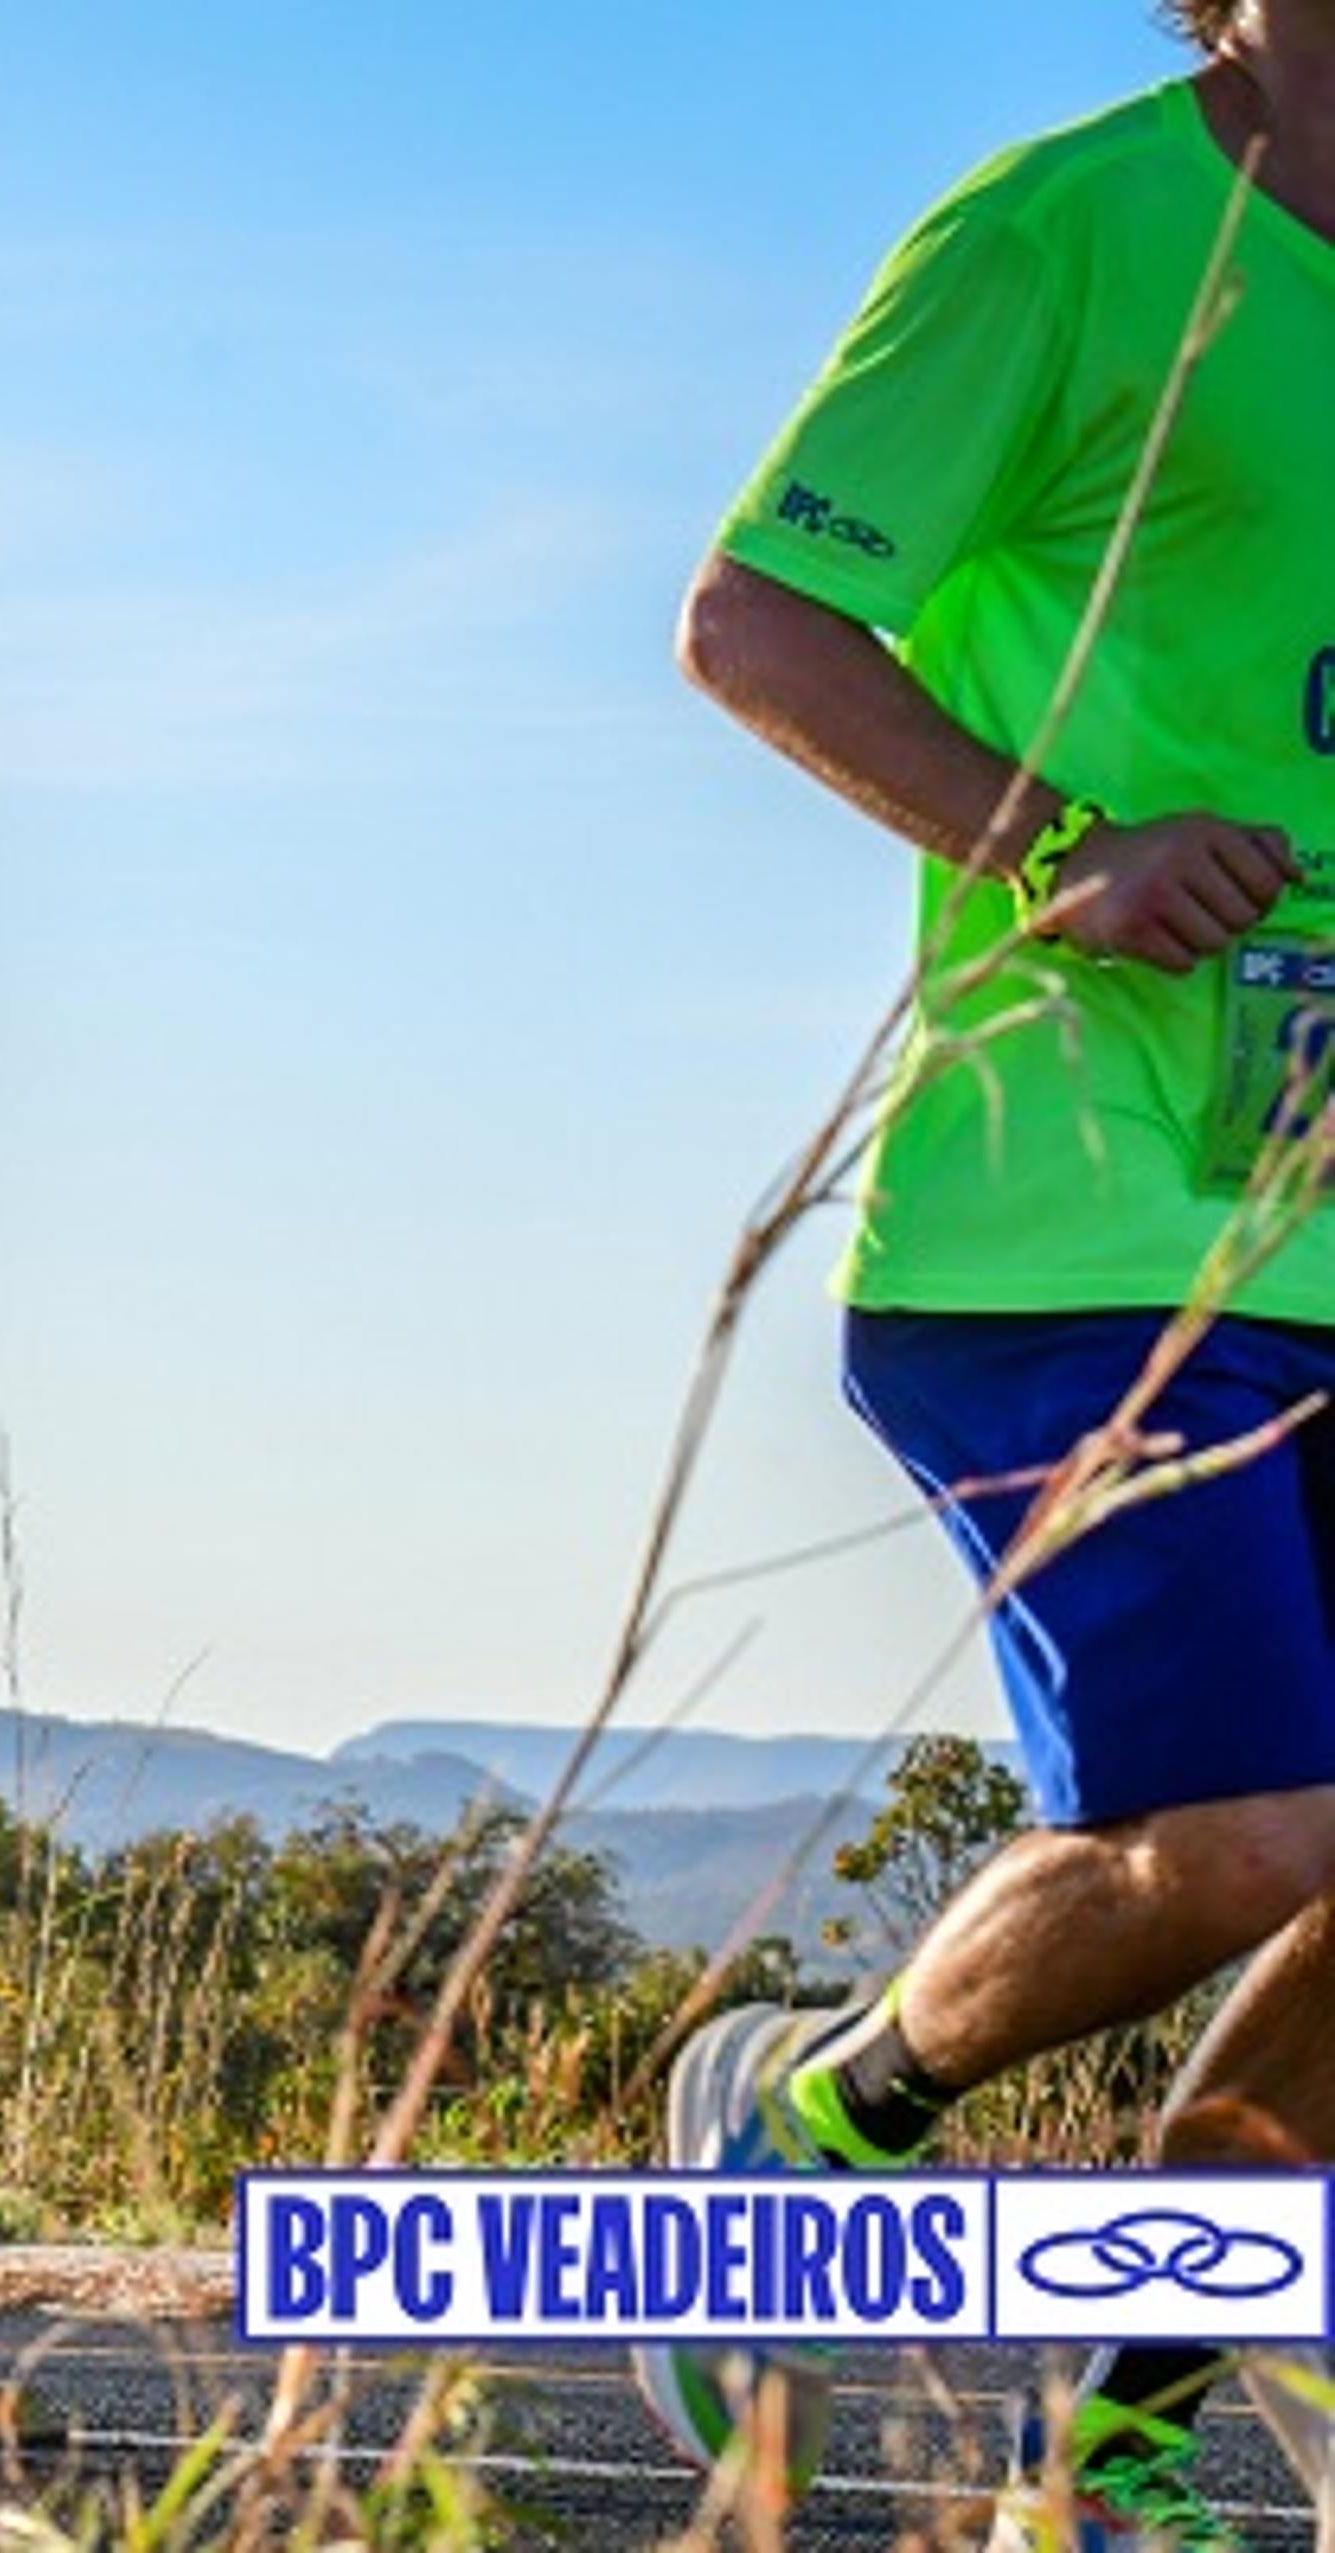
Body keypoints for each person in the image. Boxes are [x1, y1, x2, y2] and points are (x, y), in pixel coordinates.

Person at [632, 7, 1335, 2545]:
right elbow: (749, 618)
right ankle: (807, 2123)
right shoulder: (1065, 232)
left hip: (1325, 1191)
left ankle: (1130, 2431)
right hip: (1062, 1207)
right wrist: (1059, 836)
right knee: (1250, 1832)